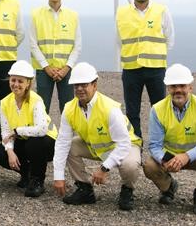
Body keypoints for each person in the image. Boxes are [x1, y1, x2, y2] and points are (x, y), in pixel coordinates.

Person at [52, 62, 142, 211]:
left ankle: (127, 190)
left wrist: (104, 169)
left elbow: (124, 144)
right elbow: (62, 142)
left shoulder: (109, 108)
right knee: (69, 146)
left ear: (95, 85)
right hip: (96, 146)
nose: (79, 89)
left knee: (130, 165)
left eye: (84, 84)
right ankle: (85, 190)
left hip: (125, 146)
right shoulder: (69, 108)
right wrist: (58, 176)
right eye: (76, 85)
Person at [143, 64, 196, 215]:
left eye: (182, 86)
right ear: (168, 88)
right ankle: (169, 188)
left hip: (195, 156)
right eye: (173, 86)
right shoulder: (157, 109)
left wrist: (186, 157)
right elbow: (154, 145)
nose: (178, 90)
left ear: (190, 87)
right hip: (170, 158)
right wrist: (166, 160)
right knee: (149, 166)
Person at [116, 0, 175, 138]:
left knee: (160, 111)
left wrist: (156, 55)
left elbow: (170, 38)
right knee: (132, 113)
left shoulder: (161, 10)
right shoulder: (121, 13)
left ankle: (160, 149)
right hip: (131, 70)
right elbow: (119, 40)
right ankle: (135, 150)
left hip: (156, 70)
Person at [0, 60, 57, 197]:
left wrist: (18, 131)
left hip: (47, 142)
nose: (16, 84)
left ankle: (37, 180)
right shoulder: (5, 102)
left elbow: (41, 130)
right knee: (1, 153)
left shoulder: (36, 100)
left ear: (28, 83)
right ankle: (26, 174)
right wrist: (10, 151)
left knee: (34, 143)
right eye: (13, 80)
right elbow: (5, 131)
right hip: (25, 139)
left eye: (20, 81)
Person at [29, 0, 82, 117]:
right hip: (43, 70)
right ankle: (43, 138)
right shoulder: (36, 15)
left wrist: (67, 67)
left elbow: (77, 45)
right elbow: (33, 44)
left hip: (65, 71)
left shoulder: (73, 16)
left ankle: (68, 139)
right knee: (41, 109)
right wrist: (46, 66)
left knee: (68, 110)